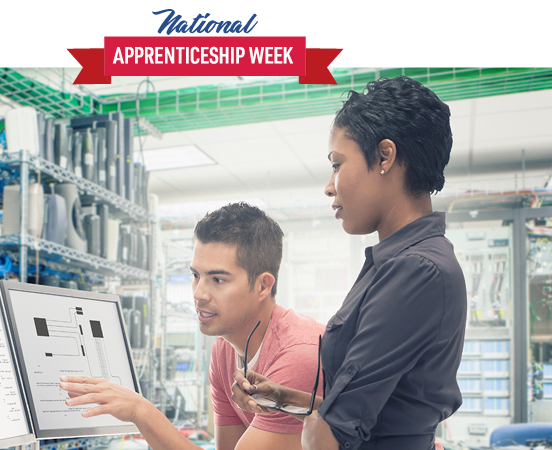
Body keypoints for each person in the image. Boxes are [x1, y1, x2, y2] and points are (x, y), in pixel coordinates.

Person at [232, 76, 467, 450]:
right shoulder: (398, 262)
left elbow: (336, 436)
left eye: (337, 164)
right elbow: (369, 416)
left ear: (385, 156)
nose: (330, 185)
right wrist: (281, 397)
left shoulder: (416, 270)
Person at [59, 202, 324, 450]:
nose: (199, 293)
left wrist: (141, 411)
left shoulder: (300, 355)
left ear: (263, 285)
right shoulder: (223, 351)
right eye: (196, 275)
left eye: (217, 279)